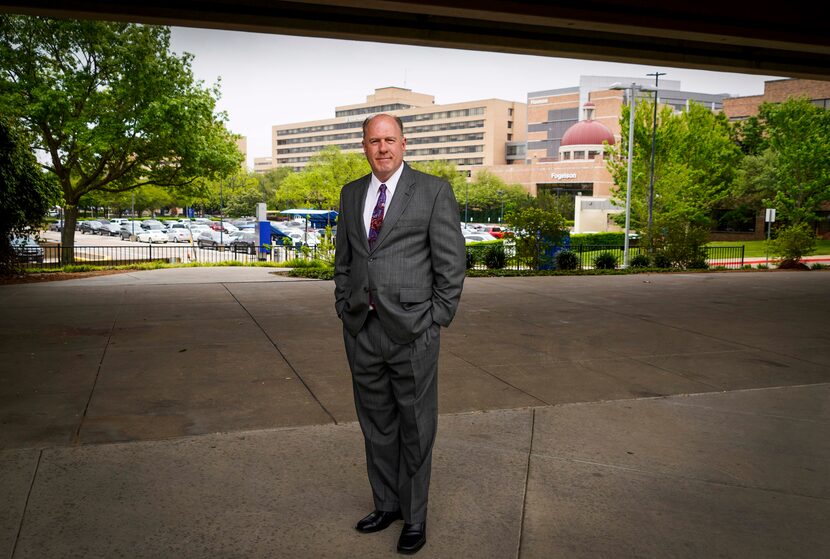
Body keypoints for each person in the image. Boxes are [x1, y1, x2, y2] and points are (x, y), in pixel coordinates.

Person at [334, 113, 466, 555]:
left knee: (415, 426)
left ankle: (414, 516)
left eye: (390, 140)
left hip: (413, 332)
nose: (382, 148)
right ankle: (386, 504)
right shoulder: (351, 194)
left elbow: (451, 265)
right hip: (362, 329)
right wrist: (344, 306)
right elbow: (345, 261)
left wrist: (436, 318)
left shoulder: (432, 191)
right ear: (364, 146)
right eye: (374, 141)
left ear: (404, 144)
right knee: (376, 426)